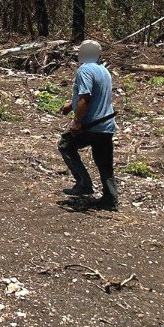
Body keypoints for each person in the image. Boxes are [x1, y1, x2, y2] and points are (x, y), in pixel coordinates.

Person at [58, 39, 118, 210]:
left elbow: (86, 97)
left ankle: (84, 184)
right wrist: (71, 105)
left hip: (91, 124)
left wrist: (77, 122)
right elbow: (96, 94)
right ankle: (111, 199)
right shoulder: (104, 71)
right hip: (106, 125)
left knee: (65, 145)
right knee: (104, 162)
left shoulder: (84, 70)